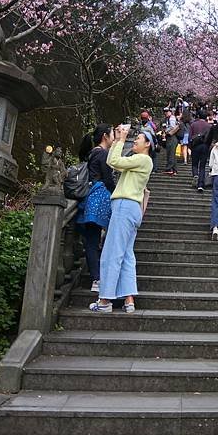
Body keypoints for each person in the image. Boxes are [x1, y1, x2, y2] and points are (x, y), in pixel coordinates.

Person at [89, 126, 153, 313]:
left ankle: (105, 300)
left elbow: (114, 161)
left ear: (147, 144)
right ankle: (128, 299)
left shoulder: (142, 159)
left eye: (139, 139)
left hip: (125, 206)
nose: (136, 141)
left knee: (112, 252)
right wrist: (118, 141)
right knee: (125, 255)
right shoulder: (140, 160)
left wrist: (121, 139)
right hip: (131, 208)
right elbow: (112, 160)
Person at [77, 124, 115, 293]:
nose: (114, 136)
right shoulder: (103, 154)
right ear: (106, 136)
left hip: (90, 198)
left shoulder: (93, 153)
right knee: (93, 241)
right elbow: (108, 180)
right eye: (112, 133)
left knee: (92, 241)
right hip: (99, 199)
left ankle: (96, 277)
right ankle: (97, 279)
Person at [189, 110, 211, 192]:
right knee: (202, 166)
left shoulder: (193, 124)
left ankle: (195, 175)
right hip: (205, 146)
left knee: (194, 164)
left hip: (195, 146)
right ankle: (201, 184)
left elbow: (190, 137)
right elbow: (210, 138)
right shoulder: (208, 126)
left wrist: (190, 147)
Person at [163, 106, 179, 175]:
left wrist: (165, 131)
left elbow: (172, 127)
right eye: (165, 112)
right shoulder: (168, 118)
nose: (165, 113)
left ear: (170, 112)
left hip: (172, 137)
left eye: (167, 111)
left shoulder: (172, 118)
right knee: (171, 153)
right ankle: (174, 169)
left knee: (171, 153)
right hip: (171, 137)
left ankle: (169, 168)